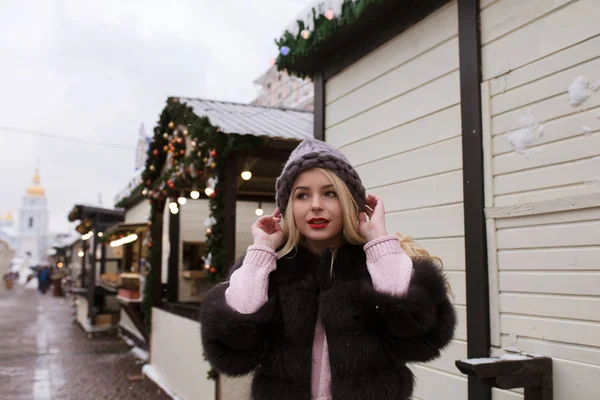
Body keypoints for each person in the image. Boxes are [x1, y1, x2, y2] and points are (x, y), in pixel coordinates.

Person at [200, 139, 456, 400]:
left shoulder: (377, 263)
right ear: (288, 208)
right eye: (302, 195)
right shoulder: (272, 268)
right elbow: (233, 341)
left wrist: (379, 240)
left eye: (330, 193)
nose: (315, 205)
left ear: (348, 201)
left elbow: (418, 330)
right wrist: (262, 250)